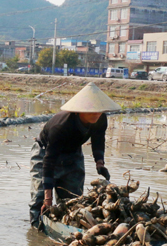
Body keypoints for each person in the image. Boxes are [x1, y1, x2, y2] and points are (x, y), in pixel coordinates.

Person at [28, 82, 120, 229]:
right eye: (92, 111)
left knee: (73, 199)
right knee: (39, 200)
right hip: (45, 153)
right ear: (79, 110)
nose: (96, 114)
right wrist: (48, 197)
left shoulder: (100, 118)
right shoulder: (61, 125)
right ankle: (37, 231)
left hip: (73, 153)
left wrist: (100, 162)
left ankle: (66, 228)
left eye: (99, 110)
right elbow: (49, 161)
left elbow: (98, 140)